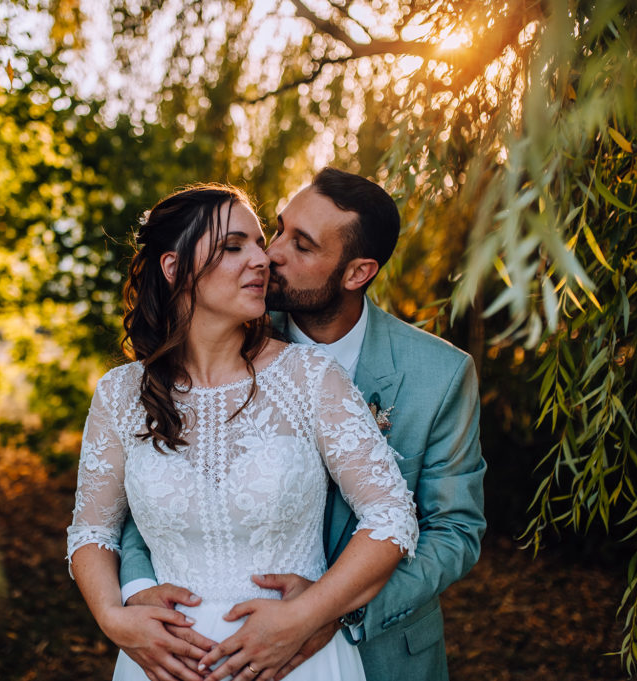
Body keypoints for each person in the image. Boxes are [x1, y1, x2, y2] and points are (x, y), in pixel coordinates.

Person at [120, 168, 487, 681]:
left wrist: (330, 611)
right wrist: (134, 592)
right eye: (279, 229)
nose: (270, 254)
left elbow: (453, 531)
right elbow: (157, 488)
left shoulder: (440, 375)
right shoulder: (221, 338)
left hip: (382, 648)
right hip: (203, 649)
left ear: (357, 273)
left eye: (303, 245)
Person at [66, 184, 420, 681]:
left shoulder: (310, 377)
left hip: (295, 661)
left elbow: (390, 515)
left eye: (258, 242)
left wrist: (308, 614)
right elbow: (93, 531)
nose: (262, 259)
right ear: (173, 268)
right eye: (234, 246)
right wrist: (113, 618)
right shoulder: (120, 394)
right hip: (161, 663)